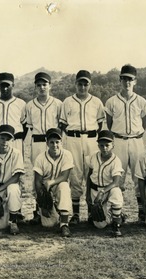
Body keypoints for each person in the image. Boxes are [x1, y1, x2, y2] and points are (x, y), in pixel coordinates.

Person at [105, 64, 146, 222]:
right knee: (118, 177)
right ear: (120, 80)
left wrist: (136, 135)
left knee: (139, 177)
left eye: (130, 79)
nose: (127, 82)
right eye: (124, 79)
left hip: (136, 140)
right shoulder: (111, 101)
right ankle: (119, 212)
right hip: (118, 140)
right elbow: (109, 124)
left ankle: (142, 212)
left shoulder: (141, 101)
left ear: (135, 81)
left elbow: (144, 124)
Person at [59, 70, 105, 225]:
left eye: (86, 83)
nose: (83, 86)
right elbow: (63, 124)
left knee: (92, 173)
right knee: (75, 174)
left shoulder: (97, 102)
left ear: (90, 85)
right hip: (73, 139)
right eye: (80, 83)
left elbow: (100, 124)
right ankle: (76, 214)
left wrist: (91, 135)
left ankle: (92, 212)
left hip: (92, 139)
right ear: (75, 84)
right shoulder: (67, 101)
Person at [25, 72, 62, 225]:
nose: (42, 87)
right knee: (38, 176)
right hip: (37, 141)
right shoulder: (29, 105)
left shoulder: (58, 104)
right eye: (39, 85)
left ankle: (57, 209)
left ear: (50, 86)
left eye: (44, 84)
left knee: (56, 173)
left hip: (53, 142)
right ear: (35, 86)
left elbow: (61, 126)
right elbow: (29, 127)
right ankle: (38, 210)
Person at [33, 128, 74, 237]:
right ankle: (53, 211)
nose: (55, 145)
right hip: (45, 191)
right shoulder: (40, 158)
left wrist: (51, 182)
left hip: (58, 186)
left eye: (57, 142)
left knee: (64, 186)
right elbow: (37, 182)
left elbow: (65, 176)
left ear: (61, 142)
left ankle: (64, 224)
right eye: (52, 142)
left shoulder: (67, 154)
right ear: (47, 143)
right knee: (49, 224)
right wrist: (42, 204)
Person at [0, 125, 25, 235]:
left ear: (12, 140)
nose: (5, 142)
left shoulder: (16, 153)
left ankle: (13, 221)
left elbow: (16, 177)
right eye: (2, 138)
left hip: (11, 186)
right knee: (1, 226)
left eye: (8, 139)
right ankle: (4, 214)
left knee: (13, 188)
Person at [86, 130, 124, 237]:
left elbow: (116, 182)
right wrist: (87, 194)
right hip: (94, 190)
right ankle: (112, 215)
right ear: (98, 145)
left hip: (108, 190)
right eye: (101, 145)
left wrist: (102, 191)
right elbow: (89, 176)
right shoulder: (93, 156)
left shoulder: (116, 160)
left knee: (116, 192)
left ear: (113, 145)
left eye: (107, 145)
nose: (104, 148)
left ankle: (116, 223)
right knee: (100, 225)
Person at [0, 72, 28, 156]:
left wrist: (20, 138)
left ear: (13, 85)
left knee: (16, 167)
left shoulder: (21, 104)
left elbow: (25, 124)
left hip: (15, 140)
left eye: (7, 85)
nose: (5, 88)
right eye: (2, 85)